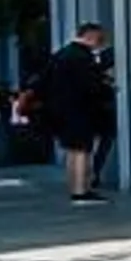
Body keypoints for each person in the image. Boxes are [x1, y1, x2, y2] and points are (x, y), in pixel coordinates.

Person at [37, 24, 116, 202]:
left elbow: (43, 82)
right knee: (82, 150)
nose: (99, 44)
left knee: (73, 151)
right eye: (99, 39)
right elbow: (90, 86)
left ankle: (75, 188)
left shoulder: (61, 55)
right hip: (80, 110)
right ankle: (82, 191)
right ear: (90, 36)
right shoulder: (82, 57)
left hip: (61, 110)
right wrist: (107, 89)